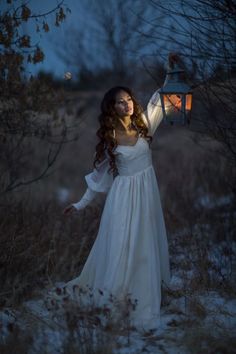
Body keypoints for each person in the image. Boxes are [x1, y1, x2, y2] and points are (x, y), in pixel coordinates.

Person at [62, 85, 171, 329]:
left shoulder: (143, 124)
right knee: (122, 245)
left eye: (129, 99)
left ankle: (142, 299)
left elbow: (158, 103)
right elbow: (99, 177)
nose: (127, 104)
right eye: (121, 102)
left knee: (144, 245)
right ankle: (114, 300)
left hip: (146, 195)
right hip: (122, 199)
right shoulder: (110, 138)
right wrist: (80, 205)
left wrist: (170, 73)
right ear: (112, 108)